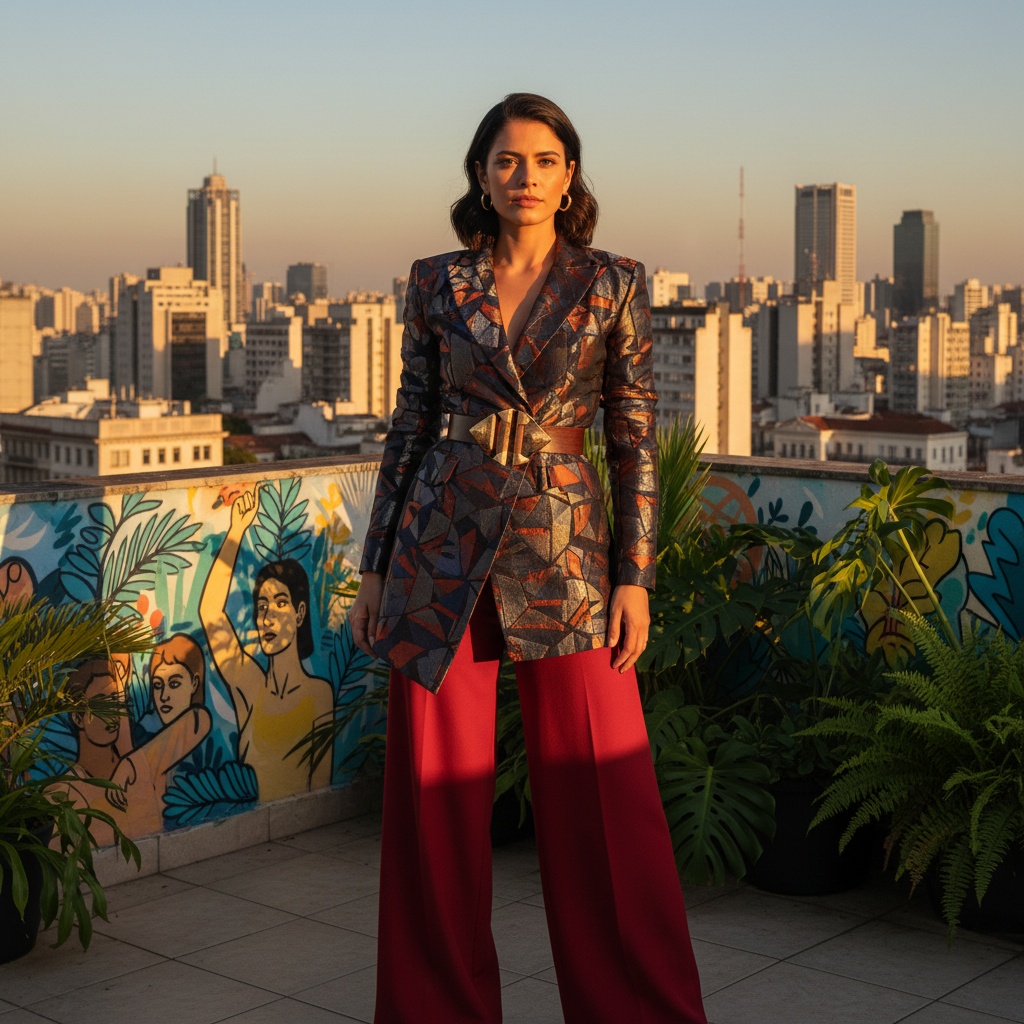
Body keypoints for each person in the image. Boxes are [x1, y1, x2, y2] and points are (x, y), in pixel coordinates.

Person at [349, 93, 707, 1024]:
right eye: (508, 160)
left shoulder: (613, 281)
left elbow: (633, 437)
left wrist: (636, 577)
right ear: (480, 172)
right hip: (439, 546)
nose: (526, 177)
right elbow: (410, 424)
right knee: (432, 810)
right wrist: (375, 565)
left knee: (605, 796)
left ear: (570, 174)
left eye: (546, 160)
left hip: (569, 550)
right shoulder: (437, 281)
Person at [200, 488, 333, 802]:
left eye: (280, 603)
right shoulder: (250, 686)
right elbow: (210, 612)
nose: (268, 616)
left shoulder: (319, 694)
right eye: (262, 606)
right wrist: (237, 530)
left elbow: (320, 787)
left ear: (300, 613)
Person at [107, 634, 212, 838]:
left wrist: (128, 765)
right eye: (157, 685)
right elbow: (131, 751)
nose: (164, 696)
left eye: (174, 684)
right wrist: (119, 688)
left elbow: (192, 725)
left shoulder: (199, 720)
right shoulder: (144, 732)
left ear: (194, 683)